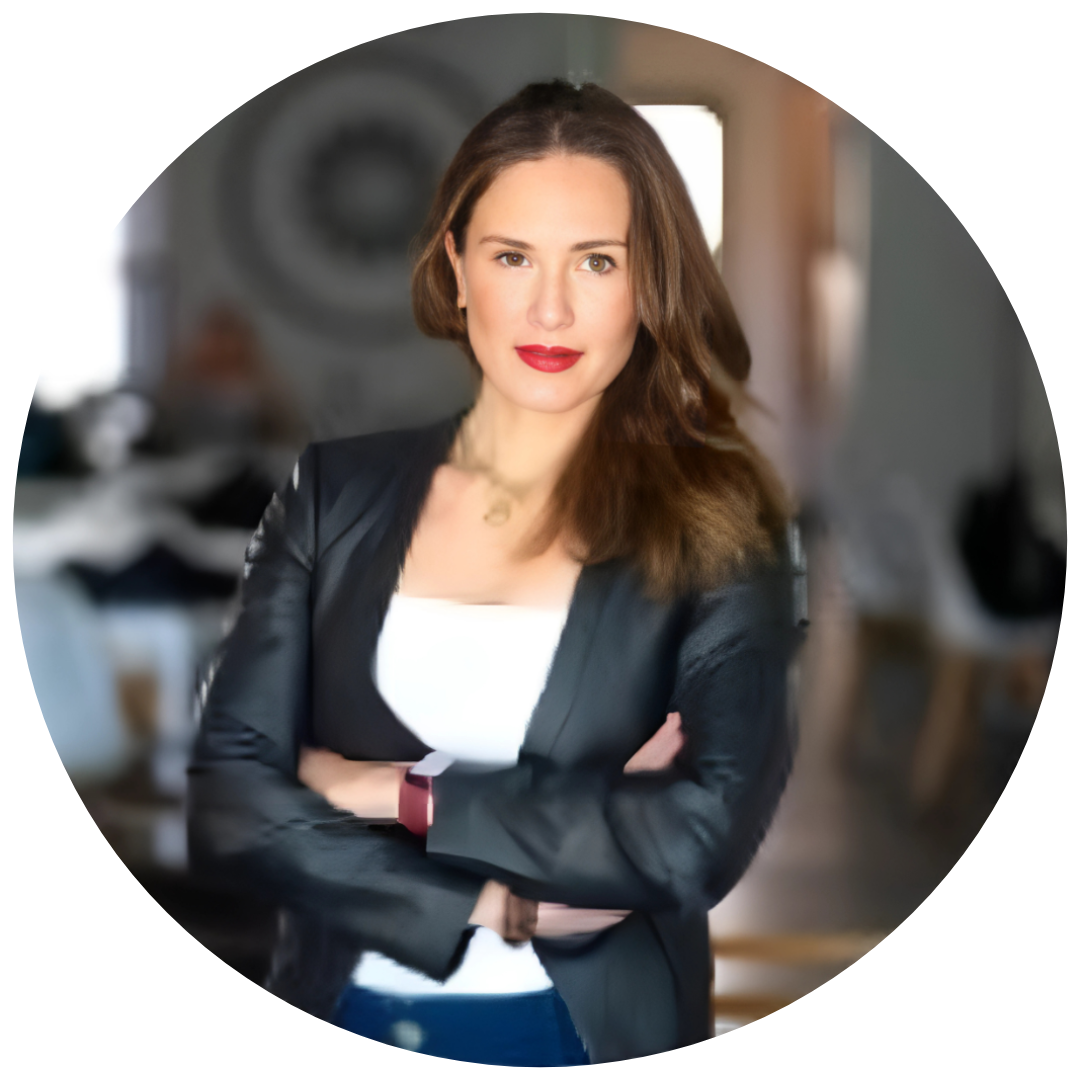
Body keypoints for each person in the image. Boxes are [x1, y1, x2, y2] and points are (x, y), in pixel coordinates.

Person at [187, 79, 801, 1065]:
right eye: (513, 256)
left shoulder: (721, 523)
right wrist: (500, 899)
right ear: (457, 268)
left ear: (648, 282)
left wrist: (394, 793)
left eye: (597, 261)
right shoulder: (334, 494)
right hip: (334, 1013)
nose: (550, 307)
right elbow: (232, 801)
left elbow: (694, 840)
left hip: (578, 1035)